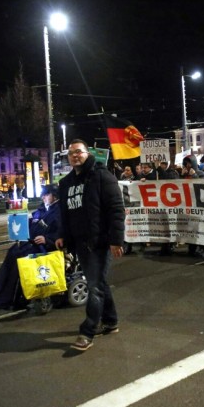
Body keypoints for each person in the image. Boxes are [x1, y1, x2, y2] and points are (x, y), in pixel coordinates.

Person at [56, 139, 126, 351]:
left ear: (87, 153)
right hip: (80, 243)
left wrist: (116, 240)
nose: (75, 156)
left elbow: (116, 209)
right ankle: (111, 321)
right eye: (71, 153)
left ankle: (87, 331)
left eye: (79, 152)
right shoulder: (66, 182)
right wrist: (62, 235)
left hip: (100, 242)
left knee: (94, 286)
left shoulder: (102, 176)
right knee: (99, 283)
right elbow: (65, 214)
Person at [0, 185, 61, 310]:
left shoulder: (59, 211)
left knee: (20, 258)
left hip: (45, 247)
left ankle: (15, 297)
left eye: (46, 195)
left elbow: (61, 232)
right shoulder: (42, 209)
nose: (43, 197)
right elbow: (32, 223)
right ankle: (0, 294)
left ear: (55, 196)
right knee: (12, 252)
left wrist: (48, 239)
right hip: (32, 242)